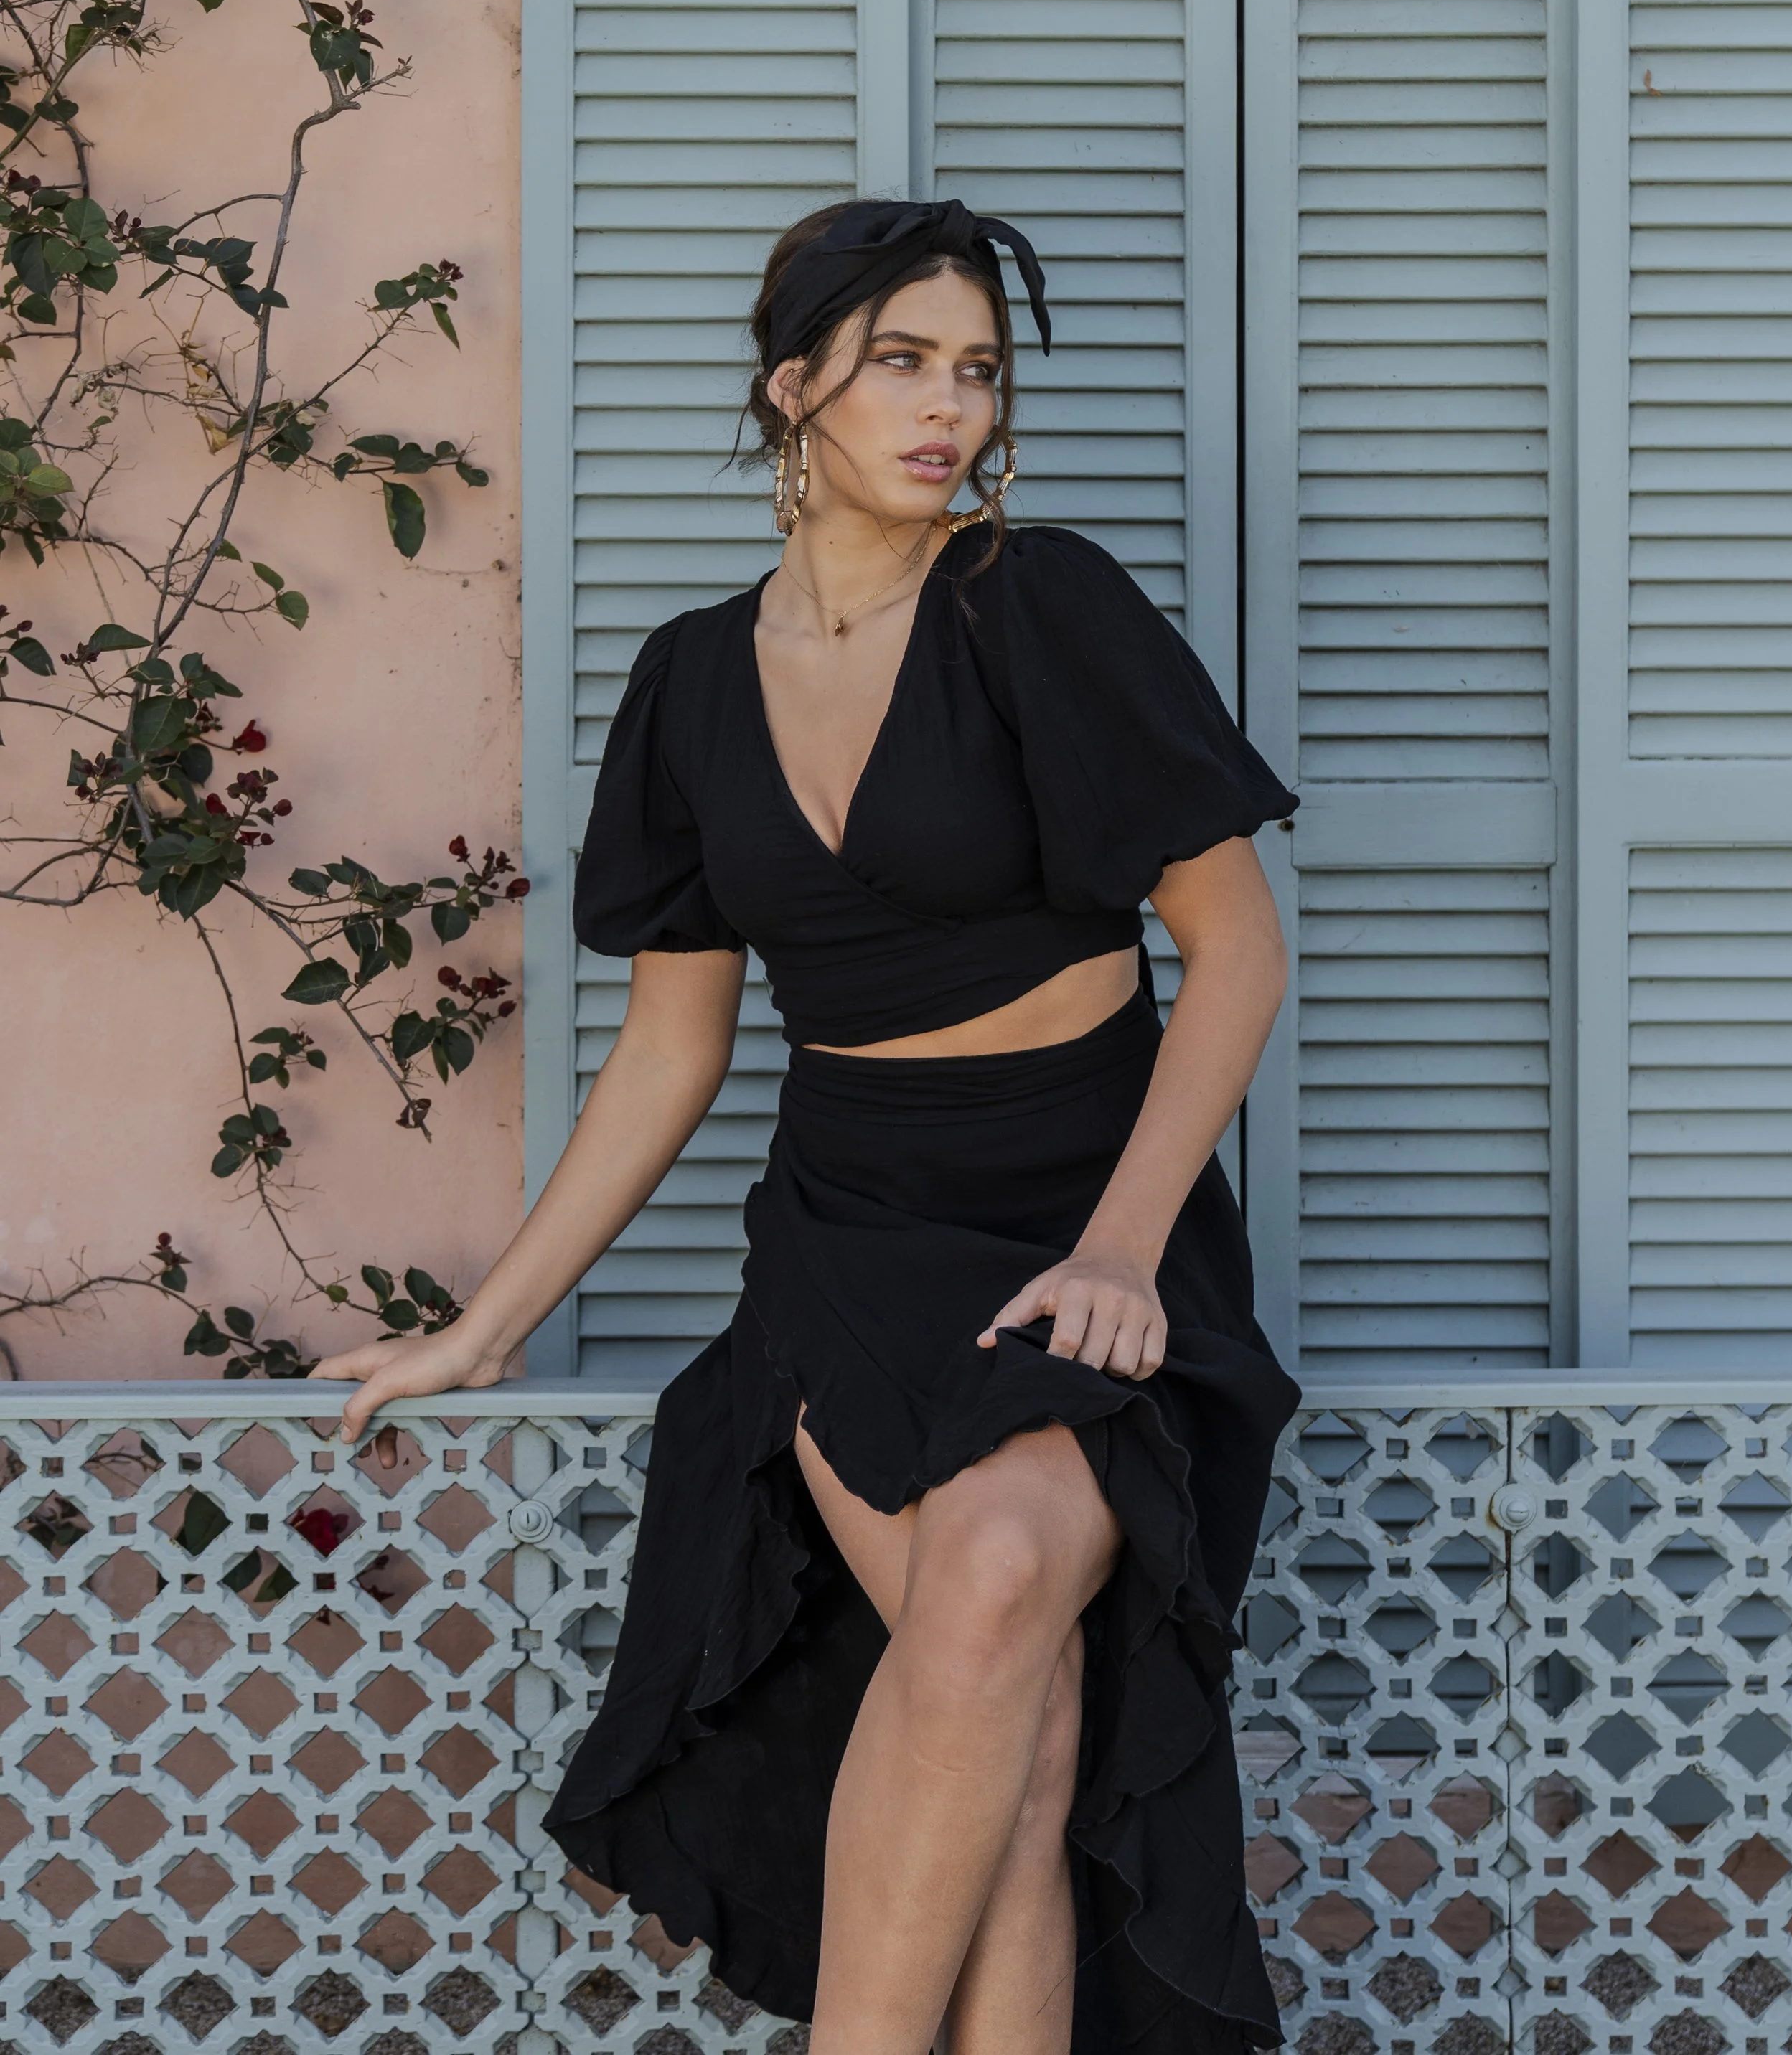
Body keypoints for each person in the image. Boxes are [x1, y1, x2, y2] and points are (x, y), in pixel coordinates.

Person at [318, 198, 1301, 2055]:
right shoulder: (691, 681)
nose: (951, 407)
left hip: (1087, 1212)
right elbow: (671, 1050)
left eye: (979, 370)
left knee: (1000, 1579)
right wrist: (482, 1324)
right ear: (793, 387)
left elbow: (1234, 951)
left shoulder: (1043, 604)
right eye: (902, 361)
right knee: (1007, 1739)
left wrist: (1118, 1245)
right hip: (850, 1234)